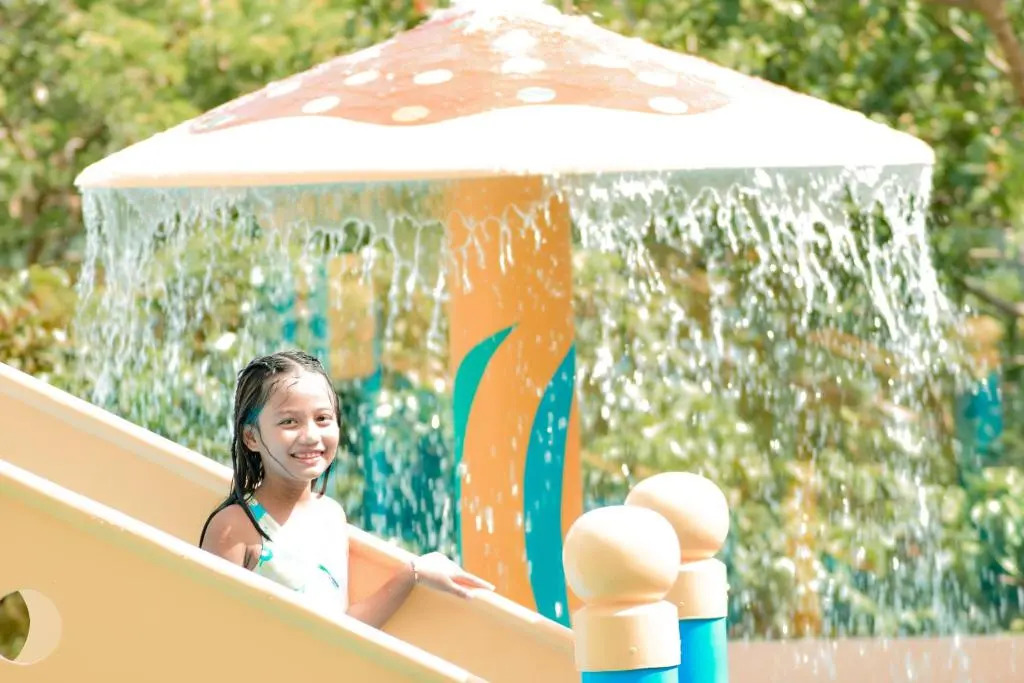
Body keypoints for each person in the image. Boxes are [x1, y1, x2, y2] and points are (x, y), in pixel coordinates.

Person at [199, 350, 493, 626]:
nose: (311, 435)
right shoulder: (234, 528)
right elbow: (212, 632)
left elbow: (343, 627)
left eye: (323, 419)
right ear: (251, 437)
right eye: (289, 421)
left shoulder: (331, 516)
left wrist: (413, 573)